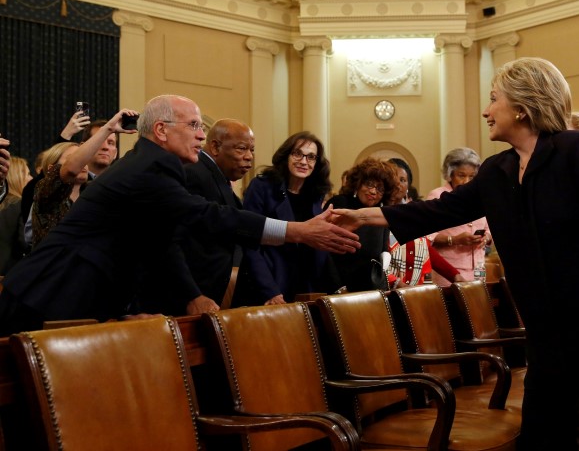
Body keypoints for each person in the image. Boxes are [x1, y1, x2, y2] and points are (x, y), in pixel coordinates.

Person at [333, 57, 579, 449]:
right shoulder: (498, 170)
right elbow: (435, 211)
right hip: (550, 333)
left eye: (494, 99)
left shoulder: (577, 150)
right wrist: (361, 216)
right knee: (545, 433)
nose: (486, 110)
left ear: (523, 107)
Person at [0, 95, 359, 335]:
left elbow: (160, 243)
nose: (203, 136)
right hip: (47, 293)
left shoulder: (157, 165)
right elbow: (207, 215)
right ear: (161, 130)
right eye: (194, 126)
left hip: (72, 296)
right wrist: (297, 231)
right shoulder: (147, 170)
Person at [153, 119, 255, 312]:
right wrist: (192, 295)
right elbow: (170, 242)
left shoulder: (215, 177)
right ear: (215, 147)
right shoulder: (194, 174)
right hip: (181, 301)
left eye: (252, 150)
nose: (249, 157)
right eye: (242, 149)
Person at [233, 131, 333, 305]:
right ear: (286, 155)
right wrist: (269, 291)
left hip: (306, 287)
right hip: (267, 286)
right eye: (297, 154)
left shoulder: (315, 194)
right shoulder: (262, 187)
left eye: (311, 157)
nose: (303, 162)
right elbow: (249, 242)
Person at [30, 110, 137, 248]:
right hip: (54, 267)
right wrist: (108, 128)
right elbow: (69, 170)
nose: (82, 164)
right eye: (72, 159)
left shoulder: (96, 192)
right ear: (52, 170)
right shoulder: (45, 192)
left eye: (83, 158)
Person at [385, 158, 463, 287]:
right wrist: (399, 285)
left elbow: (427, 250)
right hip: (388, 294)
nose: (397, 184)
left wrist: (455, 276)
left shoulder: (415, 212)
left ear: (408, 187)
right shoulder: (375, 214)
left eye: (403, 180)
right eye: (392, 178)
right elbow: (372, 261)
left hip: (416, 293)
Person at [324, 157, 397, 292]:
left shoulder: (380, 214)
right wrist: (338, 287)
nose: (373, 191)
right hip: (336, 287)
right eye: (369, 184)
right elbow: (324, 251)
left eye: (380, 189)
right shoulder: (340, 204)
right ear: (358, 183)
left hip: (370, 290)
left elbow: (383, 251)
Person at [426, 147, 491, 284]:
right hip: (448, 271)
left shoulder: (481, 197)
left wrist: (486, 237)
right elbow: (427, 236)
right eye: (461, 175)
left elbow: (490, 228)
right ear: (450, 174)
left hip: (478, 269)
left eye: (472, 176)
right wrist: (454, 239)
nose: (467, 181)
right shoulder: (437, 196)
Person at [0, 156, 32, 273]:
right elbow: (25, 241)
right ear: (16, 177)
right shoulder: (20, 204)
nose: (31, 178)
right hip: (8, 275)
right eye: (27, 174)